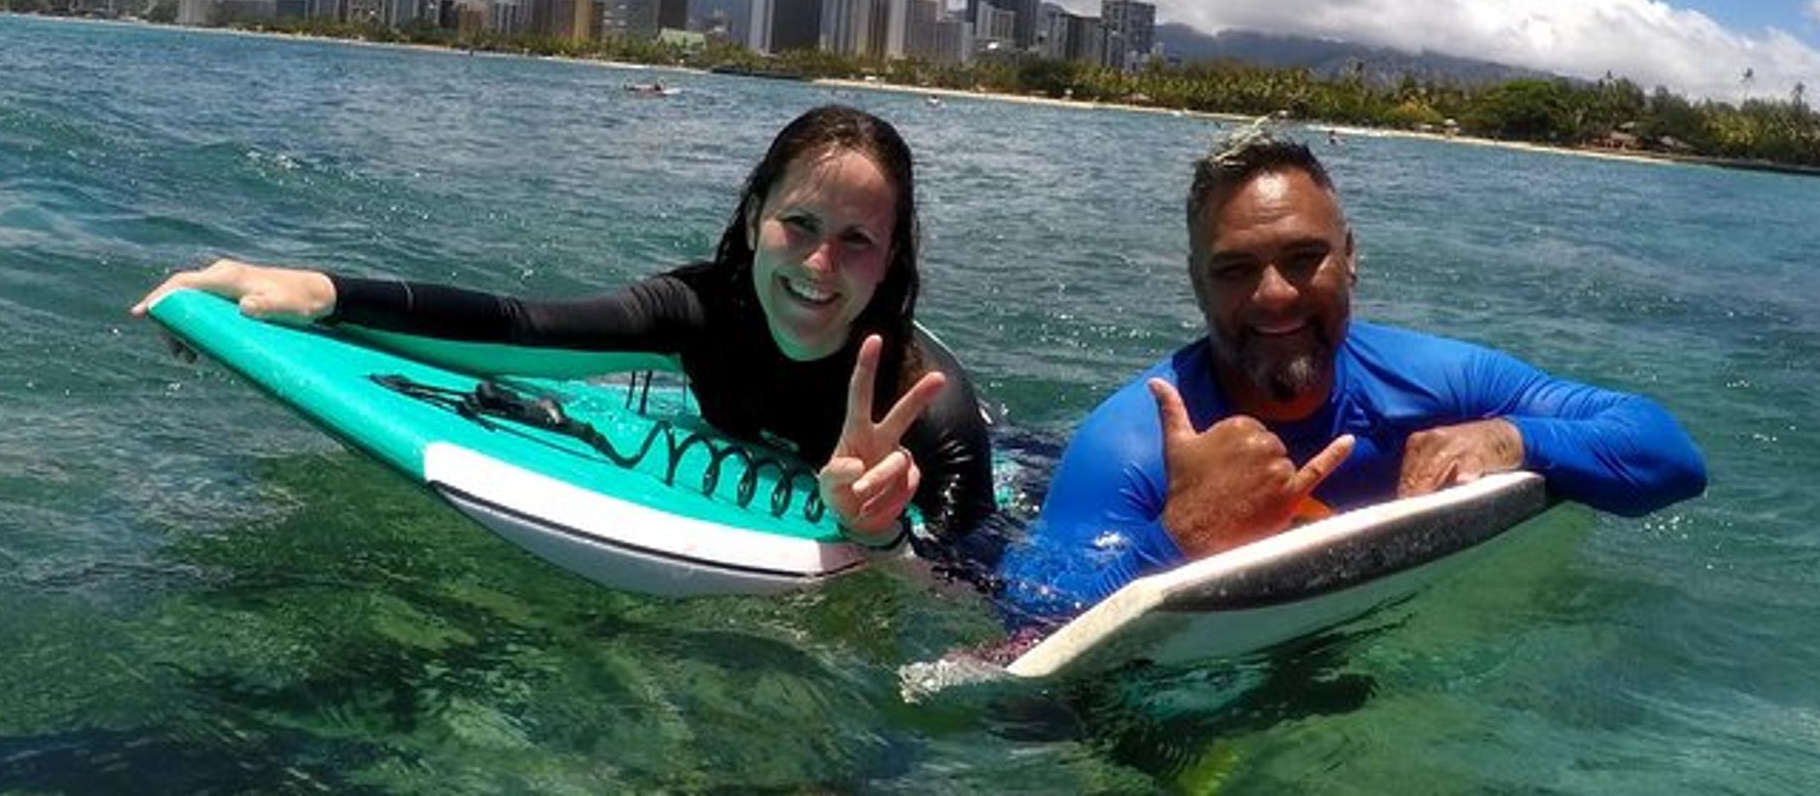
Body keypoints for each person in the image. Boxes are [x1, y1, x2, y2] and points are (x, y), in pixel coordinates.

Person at [133, 105, 995, 545]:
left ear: (890, 262)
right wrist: (320, 291)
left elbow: (968, 591)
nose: (816, 266)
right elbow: (525, 327)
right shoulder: (704, 307)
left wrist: (874, 529)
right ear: (755, 211)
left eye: (856, 242)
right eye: (799, 225)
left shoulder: (931, 411)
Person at [1002, 130, 1707, 619]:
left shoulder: (1434, 381)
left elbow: (1669, 454)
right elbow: (1028, 615)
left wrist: (1510, 439)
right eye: (1235, 268)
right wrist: (1181, 534)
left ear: (1351, 257)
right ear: (1195, 282)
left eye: (1305, 257)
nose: (1275, 294)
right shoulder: (1131, 441)